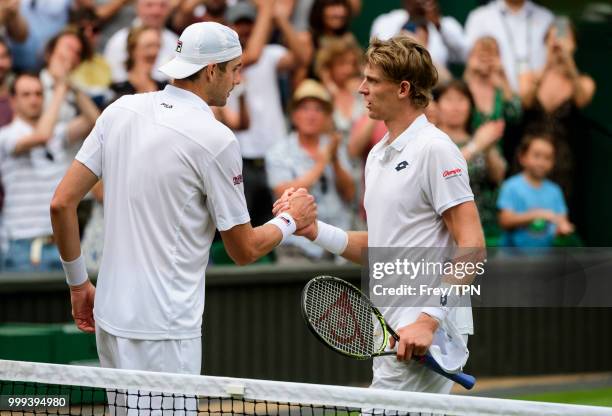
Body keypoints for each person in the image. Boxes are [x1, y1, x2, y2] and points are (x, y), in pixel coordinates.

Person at [50, 22, 316, 378]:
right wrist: (290, 220)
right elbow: (244, 250)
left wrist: (79, 284)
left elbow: (61, 204)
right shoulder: (216, 139)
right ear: (211, 71)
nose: (238, 80)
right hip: (165, 332)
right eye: (235, 70)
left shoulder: (119, 110)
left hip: (110, 321)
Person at [277, 36, 484, 394]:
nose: (361, 89)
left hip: (424, 332)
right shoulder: (376, 156)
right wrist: (315, 231)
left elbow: (472, 246)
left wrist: (428, 320)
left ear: (403, 88)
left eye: (372, 80)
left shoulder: (436, 150)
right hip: (391, 328)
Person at [0, 72, 99, 272]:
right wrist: (60, 92)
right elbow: (42, 136)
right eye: (26, 94)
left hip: (61, 244)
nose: (34, 100)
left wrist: (73, 87)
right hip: (23, 244)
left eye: (38, 94)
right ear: (12, 100)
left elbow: (97, 122)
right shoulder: (6, 136)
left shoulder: (58, 133)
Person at [225, 0, 307, 226]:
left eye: (249, 23)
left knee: (282, 219)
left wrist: (279, 19)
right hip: (242, 156)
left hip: (276, 151)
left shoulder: (270, 53)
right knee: (246, 223)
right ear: (229, 26)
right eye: (238, 23)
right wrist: (267, 7)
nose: (244, 28)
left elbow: (302, 58)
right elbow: (251, 56)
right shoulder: (225, 60)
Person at [266, 79, 354, 263]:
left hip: (336, 243)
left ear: (327, 117)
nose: (311, 115)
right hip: (298, 247)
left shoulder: (334, 146)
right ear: (294, 114)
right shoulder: (278, 151)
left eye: (318, 109)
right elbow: (283, 193)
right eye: (305, 108)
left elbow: (350, 194)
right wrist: (321, 164)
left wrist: (335, 160)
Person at [518, 18, 595, 203]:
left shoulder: (583, 81)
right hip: (528, 157)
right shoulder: (529, 76)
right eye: (553, 38)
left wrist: (568, 63)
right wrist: (548, 63)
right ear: (545, 43)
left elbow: (582, 98)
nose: (558, 43)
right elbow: (526, 101)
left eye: (565, 38)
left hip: (563, 163)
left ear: (574, 45)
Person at [434, 80, 506, 245]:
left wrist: (488, 147)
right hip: (445, 233)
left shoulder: (480, 137)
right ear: (437, 105)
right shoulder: (433, 141)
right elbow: (443, 173)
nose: (456, 107)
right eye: (449, 100)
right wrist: (476, 146)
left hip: (486, 227)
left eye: (461, 100)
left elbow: (498, 176)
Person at [497, 133, 574, 247]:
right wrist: (538, 214)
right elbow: (505, 221)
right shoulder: (511, 186)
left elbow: (561, 221)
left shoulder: (555, 191)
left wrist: (563, 228)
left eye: (547, 157)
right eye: (537, 155)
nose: (542, 162)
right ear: (522, 158)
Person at [464, 0, 554, 92]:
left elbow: (558, 57)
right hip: (496, 99)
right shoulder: (479, 17)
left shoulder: (547, 17)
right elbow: (471, 68)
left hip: (539, 97)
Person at [370, 0, 468, 68]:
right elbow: (379, 57)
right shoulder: (386, 21)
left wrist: (438, 25)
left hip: (435, 87)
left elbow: (465, 56)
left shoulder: (446, 24)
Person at [103, 0, 177, 83]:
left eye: (162, 6)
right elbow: (115, 80)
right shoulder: (119, 40)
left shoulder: (174, 41)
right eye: (149, 5)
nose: (156, 11)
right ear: (137, 8)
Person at [110, 26, 165, 98]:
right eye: (149, 46)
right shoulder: (118, 89)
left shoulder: (164, 88)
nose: (154, 52)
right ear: (132, 49)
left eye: (157, 46)